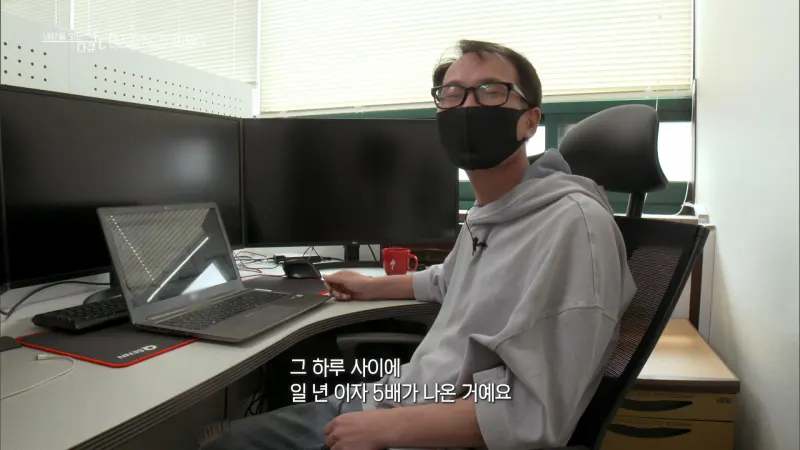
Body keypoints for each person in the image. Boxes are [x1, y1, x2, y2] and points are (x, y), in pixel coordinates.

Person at [204, 39, 636, 450]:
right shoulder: (495, 213)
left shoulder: (573, 227)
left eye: (490, 91)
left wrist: (385, 426)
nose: (467, 107)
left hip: (423, 429)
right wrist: (369, 286)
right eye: (452, 94)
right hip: (402, 398)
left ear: (530, 120)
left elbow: (537, 412)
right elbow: (450, 281)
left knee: (222, 442)